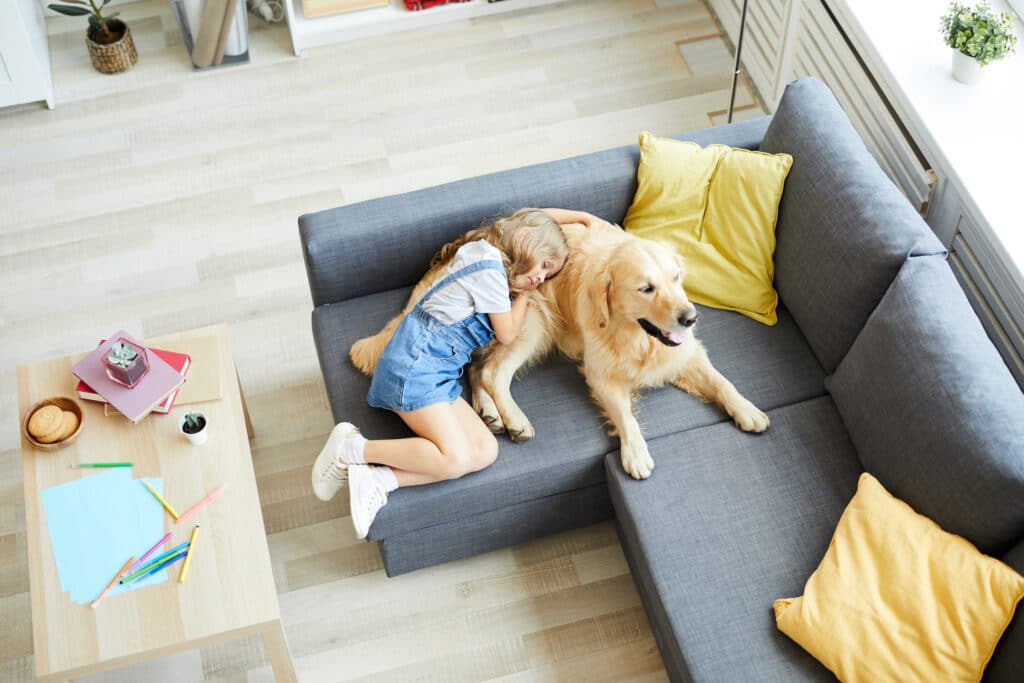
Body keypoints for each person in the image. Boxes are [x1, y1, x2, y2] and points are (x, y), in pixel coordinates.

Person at [311, 208, 600, 538]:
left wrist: (581, 218)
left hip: (438, 373)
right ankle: (353, 449)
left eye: (548, 276)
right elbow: (506, 333)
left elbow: (532, 217)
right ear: (524, 240)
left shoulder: (487, 251)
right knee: (454, 458)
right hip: (413, 368)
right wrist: (525, 294)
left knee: (484, 452)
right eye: (545, 266)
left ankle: (380, 479)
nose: (541, 279)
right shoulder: (490, 269)